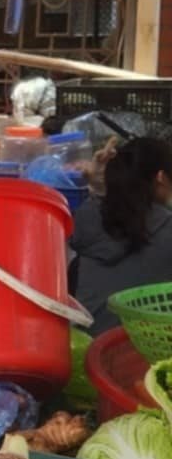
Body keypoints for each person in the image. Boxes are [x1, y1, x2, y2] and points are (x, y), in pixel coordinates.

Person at [71, 137, 172, 335]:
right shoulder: (167, 227)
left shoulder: (86, 215)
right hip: (149, 352)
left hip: (88, 351)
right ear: (161, 177)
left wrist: (97, 189)